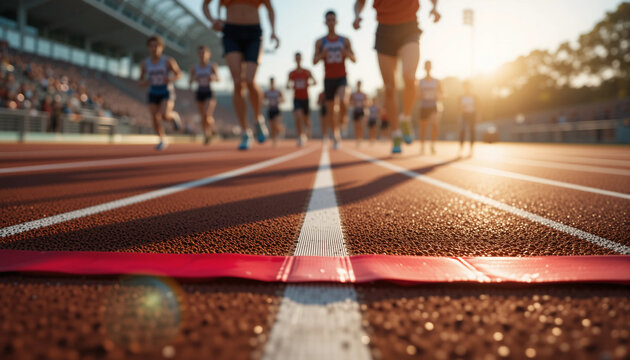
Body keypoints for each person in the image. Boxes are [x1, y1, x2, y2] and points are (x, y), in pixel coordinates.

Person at [353, 0, 440, 154]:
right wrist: (357, 15)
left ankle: (405, 118)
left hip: (409, 27)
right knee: (389, 87)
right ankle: (396, 133)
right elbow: (359, 2)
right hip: (384, 31)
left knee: (409, 76)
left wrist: (434, 7)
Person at [202, 0, 280, 150]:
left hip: (253, 32)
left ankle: (258, 119)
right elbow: (205, 4)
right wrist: (212, 20)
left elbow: (270, 8)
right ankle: (245, 131)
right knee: (238, 82)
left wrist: (273, 31)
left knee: (250, 80)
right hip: (231, 32)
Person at [314, 10, 356, 150]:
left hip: (342, 77)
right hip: (328, 79)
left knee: (343, 101)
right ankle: (336, 135)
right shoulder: (320, 42)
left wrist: (346, 54)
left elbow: (354, 59)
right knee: (331, 110)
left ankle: (343, 119)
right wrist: (322, 55)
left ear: (336, 22)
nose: (331, 22)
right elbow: (314, 60)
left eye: (333, 19)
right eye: (328, 20)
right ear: (325, 22)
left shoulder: (345, 40)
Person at [138, 35, 183, 150]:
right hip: (153, 92)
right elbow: (141, 78)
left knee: (164, 115)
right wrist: (143, 82)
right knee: (154, 117)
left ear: (161, 47)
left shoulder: (168, 61)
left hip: (166, 91)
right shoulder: (145, 63)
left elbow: (179, 74)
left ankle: (174, 116)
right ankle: (162, 139)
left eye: (156, 46)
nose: (154, 49)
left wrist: (170, 79)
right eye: (151, 46)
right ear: (148, 48)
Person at [189, 45, 220, 145]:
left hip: (209, 92)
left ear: (208, 55)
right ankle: (207, 134)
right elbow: (189, 81)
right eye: (200, 53)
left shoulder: (212, 66)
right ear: (198, 55)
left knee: (207, 114)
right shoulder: (195, 68)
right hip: (199, 92)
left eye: (204, 53)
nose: (202, 55)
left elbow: (218, 79)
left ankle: (211, 129)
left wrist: (212, 78)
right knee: (203, 116)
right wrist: (194, 79)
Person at [287, 52, 316, 147]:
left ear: (301, 59)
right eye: (296, 58)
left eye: (299, 58)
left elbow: (315, 82)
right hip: (296, 98)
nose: (298, 60)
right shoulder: (291, 73)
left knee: (306, 120)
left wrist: (308, 84)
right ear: (295, 60)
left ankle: (306, 131)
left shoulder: (307, 72)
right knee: (298, 117)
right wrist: (290, 86)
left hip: (306, 98)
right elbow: (287, 85)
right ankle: (300, 136)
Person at [418, 60, 443, 154]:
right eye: (426, 66)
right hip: (424, 106)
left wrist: (439, 96)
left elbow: (443, 93)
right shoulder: (420, 81)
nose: (428, 68)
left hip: (434, 106)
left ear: (431, 67)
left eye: (429, 66)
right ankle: (422, 146)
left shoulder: (437, 81)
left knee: (435, 126)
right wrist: (421, 96)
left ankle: (432, 145)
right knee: (423, 127)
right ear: (424, 68)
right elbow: (416, 95)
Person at [459, 80, 479, 156]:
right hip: (464, 115)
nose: (467, 88)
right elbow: (458, 108)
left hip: (472, 115)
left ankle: (471, 149)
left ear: (471, 87)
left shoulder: (474, 96)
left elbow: (478, 107)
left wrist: (478, 116)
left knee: (472, 131)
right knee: (462, 131)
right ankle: (461, 147)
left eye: (468, 86)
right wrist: (461, 107)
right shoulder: (461, 97)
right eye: (465, 86)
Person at [264, 77, 284, 146]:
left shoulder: (278, 91)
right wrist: (265, 103)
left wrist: (279, 100)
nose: (272, 84)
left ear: (274, 83)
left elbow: (283, 99)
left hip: (276, 110)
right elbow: (263, 100)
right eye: (271, 82)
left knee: (276, 124)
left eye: (273, 82)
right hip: (270, 110)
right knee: (271, 126)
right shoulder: (267, 92)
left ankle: (278, 135)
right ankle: (274, 140)